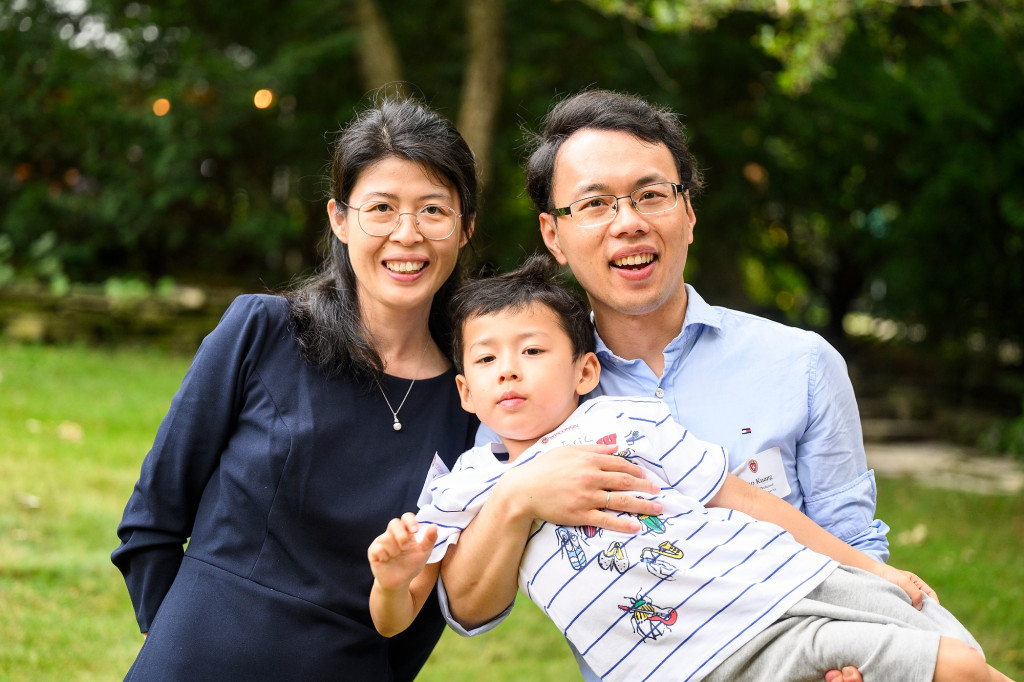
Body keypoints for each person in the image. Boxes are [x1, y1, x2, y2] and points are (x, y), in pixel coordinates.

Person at [367, 255, 1009, 682]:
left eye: (532, 350)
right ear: (464, 392)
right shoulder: (467, 488)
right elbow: (404, 616)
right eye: (486, 360)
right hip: (694, 667)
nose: (508, 368)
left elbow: (743, 500)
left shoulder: (625, 420)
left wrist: (872, 567)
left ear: (584, 372)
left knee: (963, 663)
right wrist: (393, 581)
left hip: (784, 587)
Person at [439, 91, 895, 658]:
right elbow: (467, 606)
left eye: (651, 195)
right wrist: (518, 497)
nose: (627, 223)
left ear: (689, 214)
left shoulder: (802, 364)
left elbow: (853, 541)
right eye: (595, 204)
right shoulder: (526, 395)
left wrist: (861, 651)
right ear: (553, 235)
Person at [111, 97, 481, 680]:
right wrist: (179, 642)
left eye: (433, 210)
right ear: (339, 219)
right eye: (381, 208)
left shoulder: (473, 403)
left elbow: (430, 602)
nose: (406, 235)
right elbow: (151, 521)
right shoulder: (262, 332)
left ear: (465, 229)